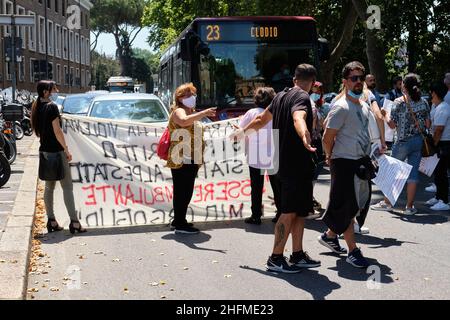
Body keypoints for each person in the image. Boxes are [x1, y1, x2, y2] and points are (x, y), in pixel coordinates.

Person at [234, 64, 321, 273]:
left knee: (301, 211)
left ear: (294, 78)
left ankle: (297, 254)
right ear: (312, 82)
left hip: (286, 164)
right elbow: (298, 117)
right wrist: (304, 135)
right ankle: (275, 257)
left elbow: (260, 119)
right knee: (288, 211)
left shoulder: (280, 96)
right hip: (293, 164)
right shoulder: (301, 97)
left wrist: (242, 133)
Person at [320, 61, 373, 268]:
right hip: (343, 163)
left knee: (359, 204)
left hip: (360, 163)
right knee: (348, 207)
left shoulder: (364, 105)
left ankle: (330, 235)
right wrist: (329, 156)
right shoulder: (341, 106)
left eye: (361, 78)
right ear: (345, 82)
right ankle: (353, 250)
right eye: (354, 78)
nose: (358, 82)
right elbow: (327, 135)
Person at [30, 80, 86, 234]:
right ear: (45, 92)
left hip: (45, 152)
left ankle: (51, 221)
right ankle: (74, 222)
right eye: (51, 89)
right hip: (56, 152)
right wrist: (66, 150)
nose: (54, 92)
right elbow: (57, 131)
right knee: (67, 187)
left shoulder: (37, 107)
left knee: (49, 187)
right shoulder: (52, 107)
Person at [371, 74, 430, 215]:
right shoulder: (424, 102)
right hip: (418, 141)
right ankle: (409, 207)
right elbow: (428, 124)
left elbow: (391, 125)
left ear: (404, 85)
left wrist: (384, 114)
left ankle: (387, 203)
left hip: (402, 142)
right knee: (413, 174)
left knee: (393, 172)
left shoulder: (399, 102)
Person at [166, 83, 216, 234]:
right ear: (179, 98)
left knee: (185, 190)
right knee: (183, 190)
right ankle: (180, 224)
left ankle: (178, 220)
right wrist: (204, 113)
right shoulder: (179, 111)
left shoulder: (191, 111)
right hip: (182, 157)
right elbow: (184, 121)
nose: (191, 98)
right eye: (187, 95)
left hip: (191, 158)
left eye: (193, 94)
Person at [239, 87, 281, 225]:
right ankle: (280, 213)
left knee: (256, 187)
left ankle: (256, 215)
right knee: (277, 186)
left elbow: (242, 130)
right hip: (274, 153)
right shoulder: (277, 112)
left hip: (256, 154)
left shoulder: (251, 113)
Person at [425, 81, 450, 211]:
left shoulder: (443, 108)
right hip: (441, 143)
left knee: (441, 173)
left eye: (431, 92)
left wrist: (433, 145)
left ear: (434, 93)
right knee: (438, 172)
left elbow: (439, 129)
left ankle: (444, 200)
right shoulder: (439, 106)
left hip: (443, 143)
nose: (430, 95)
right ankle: (438, 196)